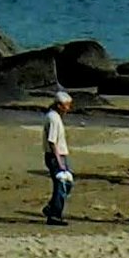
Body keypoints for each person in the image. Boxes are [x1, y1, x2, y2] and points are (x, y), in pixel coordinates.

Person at [40, 86, 74, 225]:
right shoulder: (54, 119)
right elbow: (52, 141)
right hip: (56, 156)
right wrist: (60, 162)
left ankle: (51, 207)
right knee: (61, 185)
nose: (68, 109)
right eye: (66, 106)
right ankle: (54, 214)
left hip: (58, 155)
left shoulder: (53, 116)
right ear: (59, 105)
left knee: (66, 183)